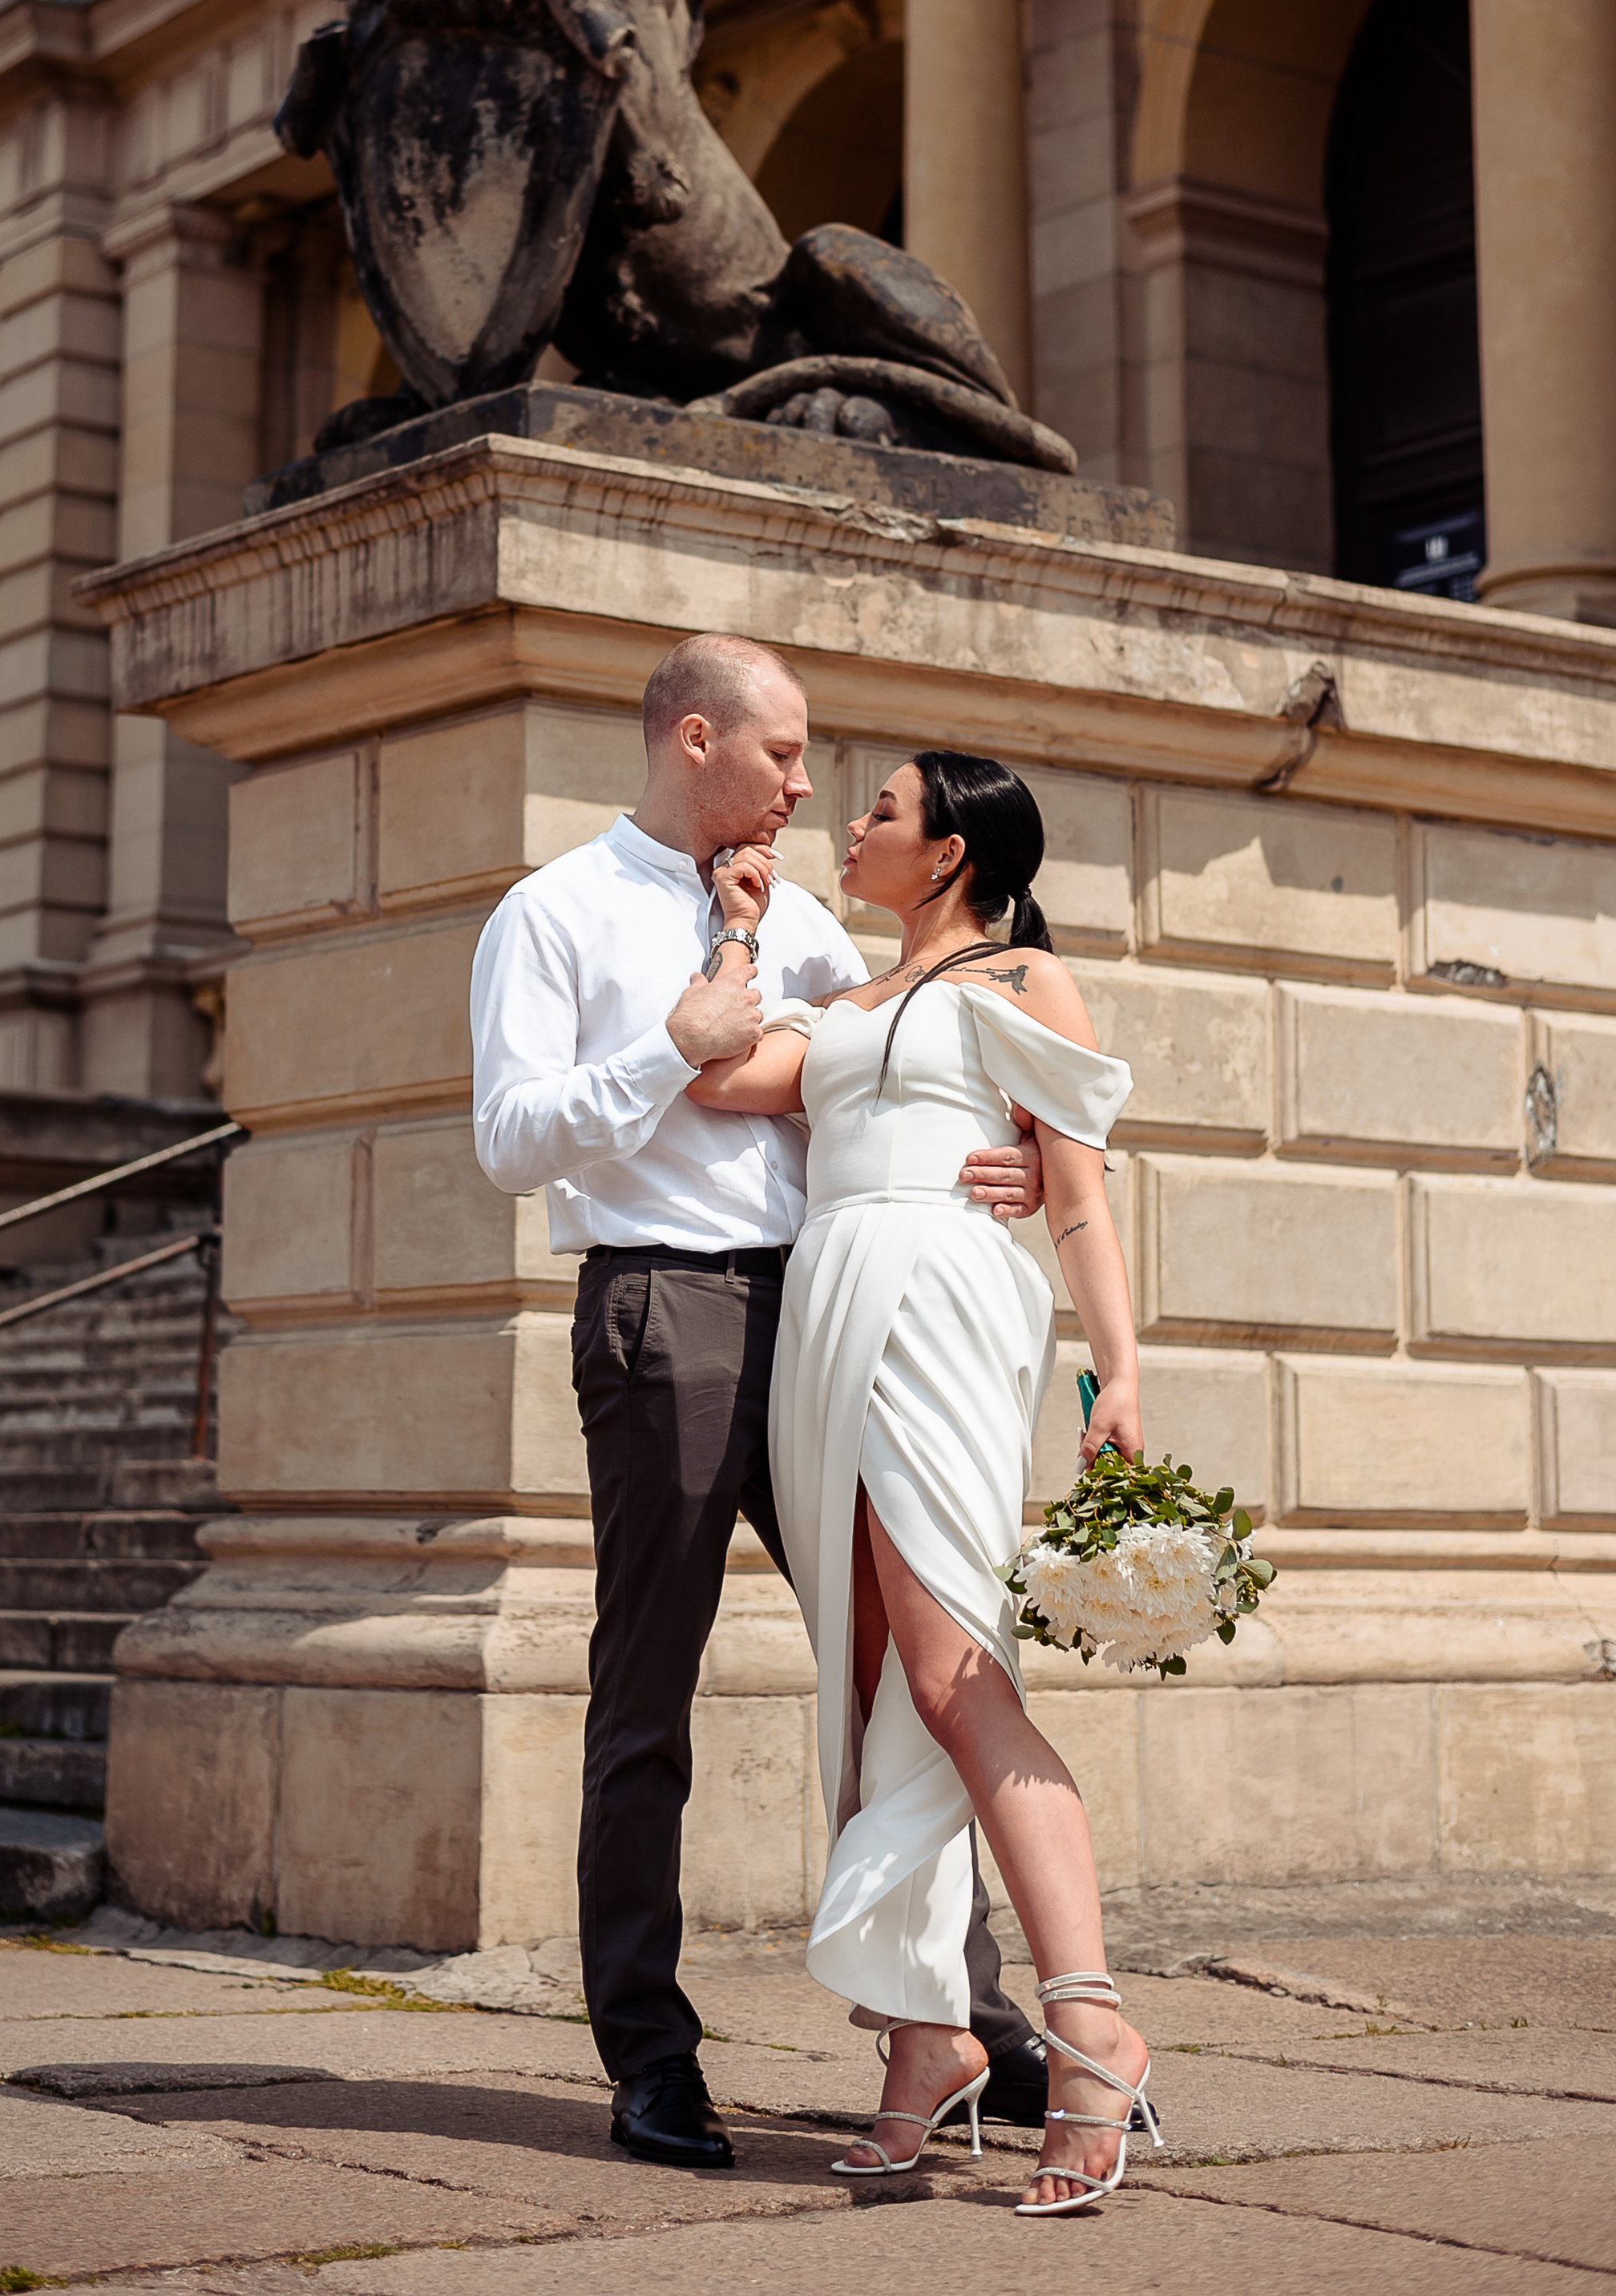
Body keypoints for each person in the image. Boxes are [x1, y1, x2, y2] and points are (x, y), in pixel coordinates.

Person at [470, 636, 1050, 2172]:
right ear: (698, 736)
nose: (807, 785)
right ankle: (650, 2056)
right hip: (664, 1307)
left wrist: (1039, 1157)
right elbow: (512, 1137)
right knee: (645, 1685)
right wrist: (666, 1051)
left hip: (831, 1311)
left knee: (909, 1663)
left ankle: (974, 2026)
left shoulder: (798, 918)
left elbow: (920, 1057)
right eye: (787, 754)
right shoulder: (554, 912)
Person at [688, 749, 1158, 2214]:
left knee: (956, 1672)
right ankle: (927, 2041)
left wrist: (1119, 1376)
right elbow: (711, 1067)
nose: (849, 824)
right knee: (872, 1673)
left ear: (950, 852)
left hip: (945, 1306)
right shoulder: (840, 1010)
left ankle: (1090, 2027)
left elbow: (1076, 1195)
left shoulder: (1023, 987)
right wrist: (741, 927)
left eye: (882, 812)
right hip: (832, 1310)